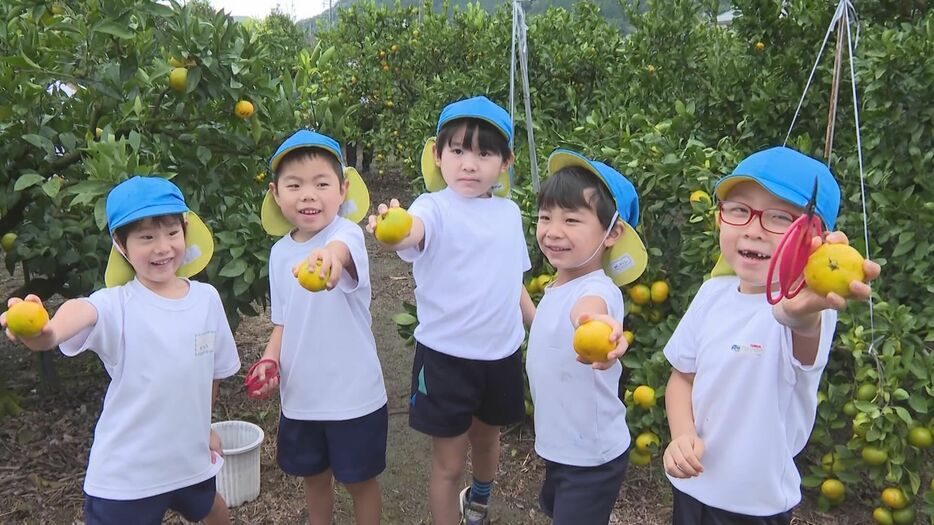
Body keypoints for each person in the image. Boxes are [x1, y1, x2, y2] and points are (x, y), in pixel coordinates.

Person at [1, 176, 240, 525]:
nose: (162, 247)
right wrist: (43, 331)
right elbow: (73, 315)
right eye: (146, 237)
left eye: (171, 233)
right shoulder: (117, 304)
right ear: (121, 244)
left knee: (214, 511)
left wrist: (203, 428)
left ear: (185, 230)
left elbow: (210, 375)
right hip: (129, 475)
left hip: (188, 461)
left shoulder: (206, 300)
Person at [662, 146, 881, 524]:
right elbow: (682, 377)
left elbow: (797, 324)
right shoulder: (711, 295)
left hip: (755, 507)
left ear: (816, 239)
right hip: (691, 487)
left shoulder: (811, 309)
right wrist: (682, 435)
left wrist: (795, 311)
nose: (753, 229)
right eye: (739, 210)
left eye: (780, 218)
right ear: (720, 218)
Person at [367, 96, 532, 525]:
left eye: (484, 152)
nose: (469, 163)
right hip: (446, 358)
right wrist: (395, 227)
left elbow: (513, 281)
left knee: (488, 439)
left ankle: (478, 498)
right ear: (438, 156)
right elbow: (412, 234)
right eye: (457, 150)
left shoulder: (509, 214)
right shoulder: (432, 207)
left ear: (505, 162)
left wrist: (542, 324)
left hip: (501, 355)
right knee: (448, 461)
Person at [247, 130, 387, 525]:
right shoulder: (279, 254)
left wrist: (328, 257)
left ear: (342, 189)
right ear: (276, 193)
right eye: (295, 185)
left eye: (321, 184)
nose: (308, 195)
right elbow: (283, 321)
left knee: (360, 482)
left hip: (353, 394)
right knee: (315, 478)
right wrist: (269, 360)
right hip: (302, 396)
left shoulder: (347, 234)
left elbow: (339, 255)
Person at [526, 149, 649, 524]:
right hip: (563, 445)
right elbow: (546, 329)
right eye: (545, 217)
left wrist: (595, 325)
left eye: (572, 220)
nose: (553, 230)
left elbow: (587, 314)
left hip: (591, 456)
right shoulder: (556, 285)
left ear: (612, 233)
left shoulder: (596, 290)